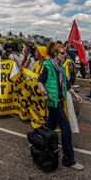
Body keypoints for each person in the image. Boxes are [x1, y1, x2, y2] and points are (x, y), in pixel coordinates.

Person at [36, 42, 84, 171]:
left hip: (59, 100)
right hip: (53, 101)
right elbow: (39, 81)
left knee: (50, 126)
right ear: (56, 54)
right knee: (66, 129)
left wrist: (75, 95)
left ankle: (33, 138)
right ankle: (69, 160)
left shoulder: (61, 67)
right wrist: (45, 93)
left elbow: (67, 85)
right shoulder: (48, 66)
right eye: (62, 53)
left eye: (65, 53)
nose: (65, 55)